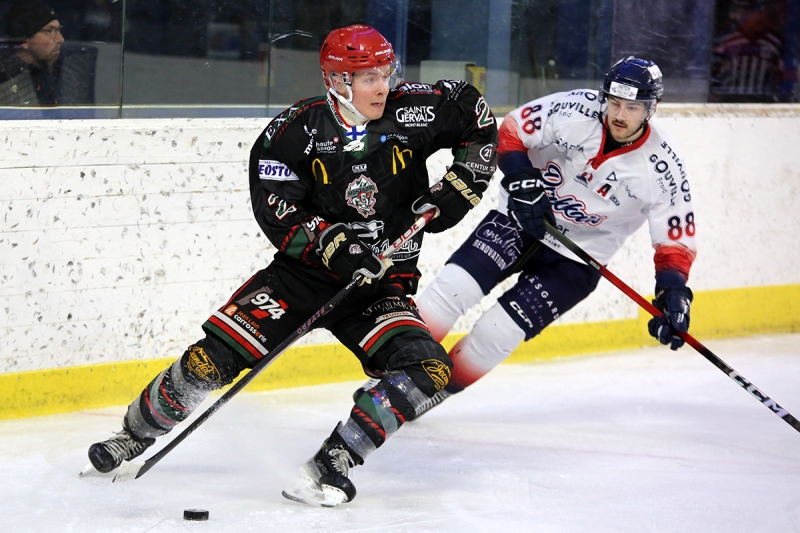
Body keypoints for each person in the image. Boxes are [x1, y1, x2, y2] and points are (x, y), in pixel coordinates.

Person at [86, 24, 498, 507]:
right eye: (367, 77)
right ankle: (135, 432)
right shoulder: (294, 131)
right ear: (337, 81)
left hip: (377, 288)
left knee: (428, 368)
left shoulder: (413, 109)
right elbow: (276, 208)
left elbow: (473, 111)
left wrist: (462, 181)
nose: (382, 86)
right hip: (302, 280)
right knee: (211, 360)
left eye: (385, 73)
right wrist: (330, 242)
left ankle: (334, 461)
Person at [358, 56, 697, 414]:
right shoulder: (575, 109)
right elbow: (512, 128)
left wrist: (673, 292)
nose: (619, 114)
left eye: (631, 107)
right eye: (614, 102)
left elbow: (675, 239)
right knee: (451, 290)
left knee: (497, 333)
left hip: (577, 258)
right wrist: (520, 176)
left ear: (652, 108)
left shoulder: (664, 167)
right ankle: (394, 371)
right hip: (519, 219)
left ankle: (426, 390)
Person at [0, 0, 95, 106]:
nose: (61, 39)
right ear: (24, 40)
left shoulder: (55, 69)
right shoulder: (6, 81)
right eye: (50, 31)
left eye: (59, 30)